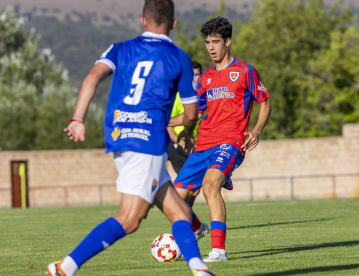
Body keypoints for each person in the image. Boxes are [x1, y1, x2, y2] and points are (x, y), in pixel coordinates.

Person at [46, 1, 216, 276]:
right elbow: (192, 113)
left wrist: (78, 119)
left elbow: (92, 78)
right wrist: (186, 131)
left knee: (181, 214)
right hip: (146, 142)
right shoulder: (178, 57)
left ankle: (200, 269)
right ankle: (64, 267)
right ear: (173, 24)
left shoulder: (120, 48)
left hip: (119, 137)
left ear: (142, 21)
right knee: (130, 218)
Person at [169, 16, 271, 262]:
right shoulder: (205, 79)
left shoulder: (245, 71)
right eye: (207, 42)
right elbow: (194, 114)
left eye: (215, 41)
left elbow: (264, 102)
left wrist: (256, 131)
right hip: (203, 145)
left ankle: (218, 250)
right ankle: (198, 228)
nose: (211, 47)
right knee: (174, 203)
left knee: (210, 184)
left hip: (230, 143)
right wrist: (164, 122)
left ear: (228, 41)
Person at [167, 61, 203, 206]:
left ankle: (186, 217)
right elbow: (167, 124)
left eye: (197, 74)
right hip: (177, 145)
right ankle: (181, 215)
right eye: (191, 75)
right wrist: (180, 142)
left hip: (193, 144)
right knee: (189, 182)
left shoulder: (202, 97)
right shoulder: (177, 97)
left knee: (195, 185)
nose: (194, 78)